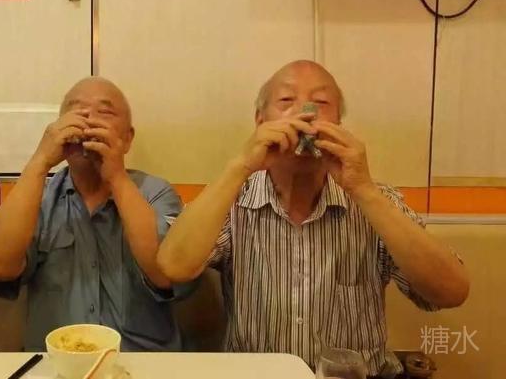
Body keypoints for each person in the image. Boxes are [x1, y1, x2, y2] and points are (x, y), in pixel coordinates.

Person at [157, 60, 469, 375]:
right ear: (260, 121)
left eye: (320, 103)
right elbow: (174, 266)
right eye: (286, 101)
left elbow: (451, 292)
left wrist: (364, 190)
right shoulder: (233, 198)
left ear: (339, 124)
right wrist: (240, 165)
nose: (305, 114)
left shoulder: (375, 200)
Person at [0, 77, 194, 352]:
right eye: (76, 110)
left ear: (128, 138)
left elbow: (165, 274)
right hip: (57, 362)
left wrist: (116, 177)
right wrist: (40, 161)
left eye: (104, 112)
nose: (88, 119)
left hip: (143, 361)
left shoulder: (156, 193)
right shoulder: (38, 196)